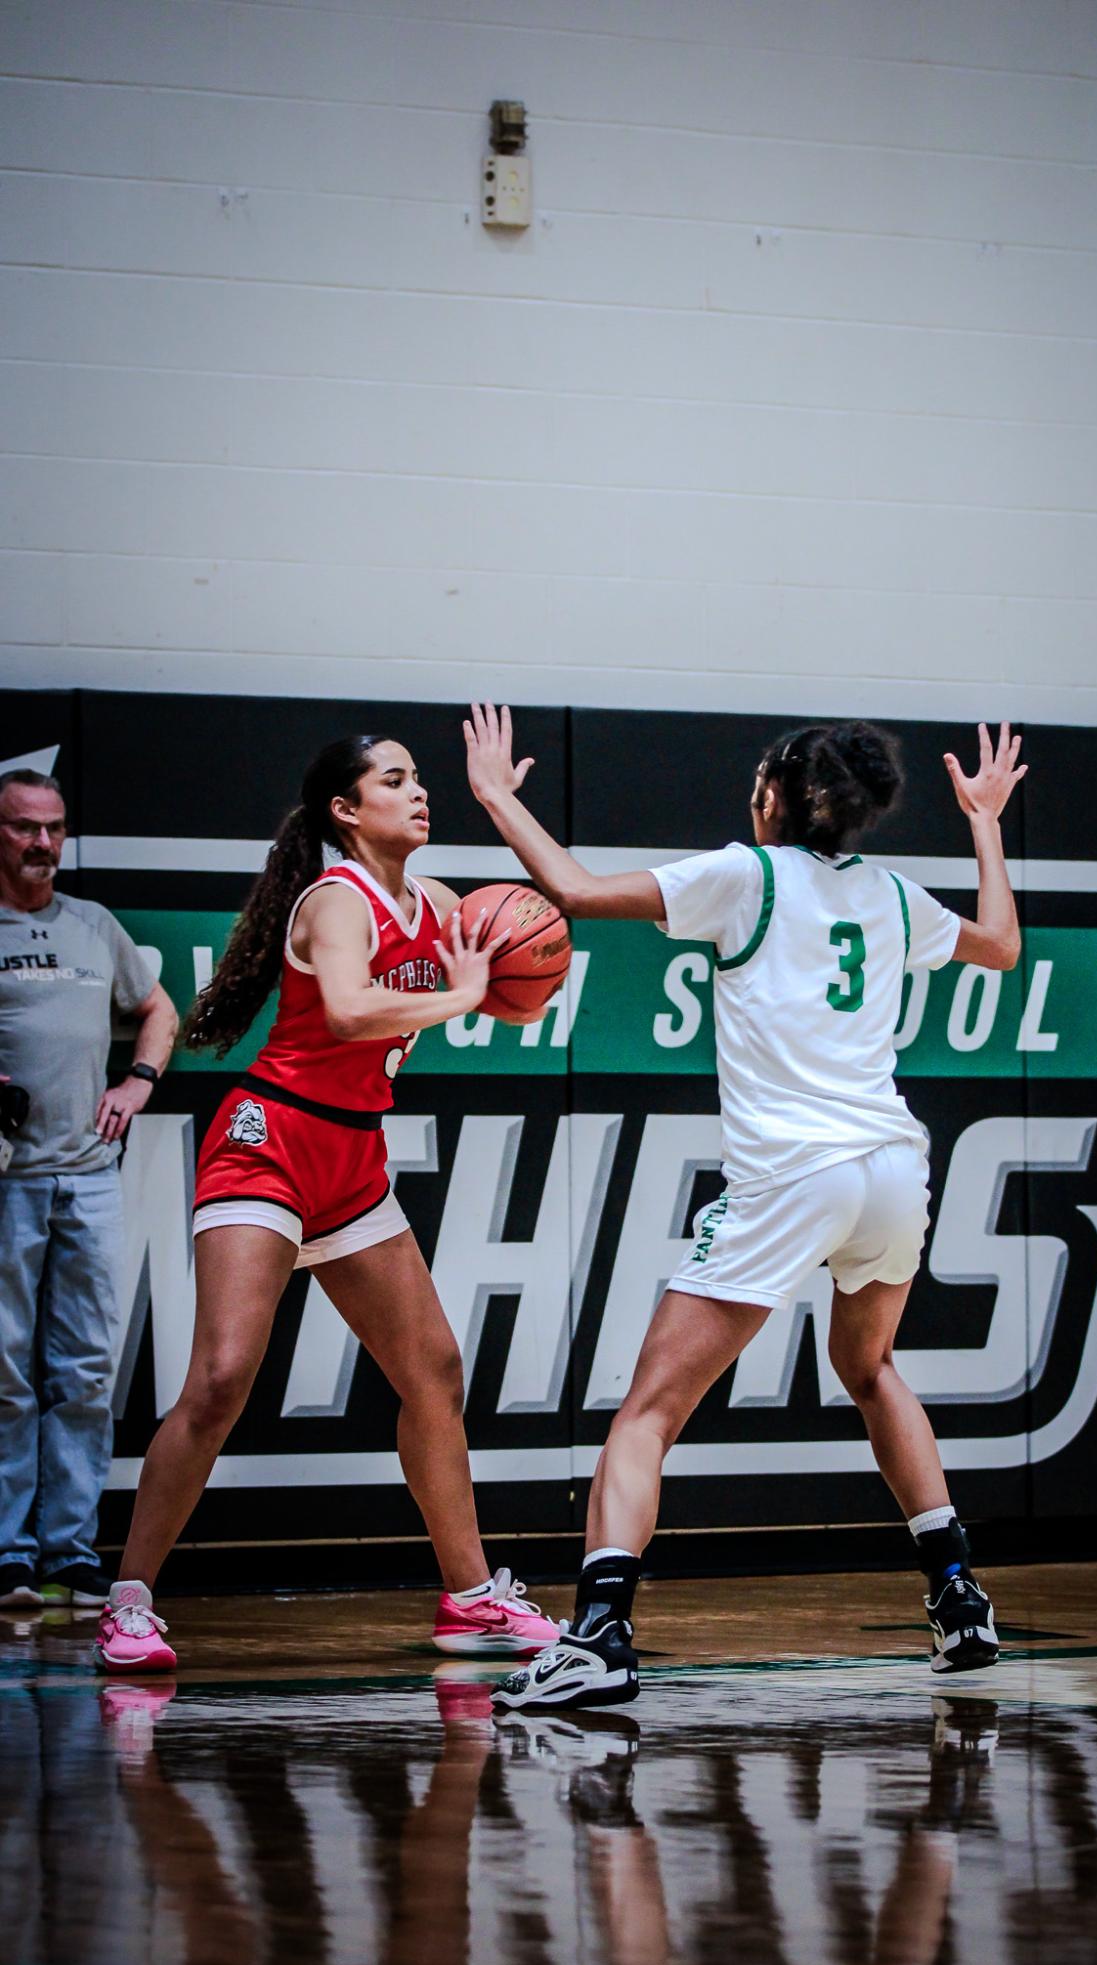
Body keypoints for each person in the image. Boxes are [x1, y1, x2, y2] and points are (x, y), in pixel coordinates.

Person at [462, 703, 1026, 1710]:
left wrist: (500, 797)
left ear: (777, 796)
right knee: (869, 1367)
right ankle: (956, 1594)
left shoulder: (745, 874)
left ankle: (597, 1635)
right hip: (892, 1167)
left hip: (794, 1174)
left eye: (757, 785)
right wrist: (983, 820)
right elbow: (998, 946)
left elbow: (576, 892)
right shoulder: (894, 896)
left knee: (644, 1415)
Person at [94, 735, 560, 1672]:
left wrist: (513, 979)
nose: (418, 792)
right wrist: (465, 993)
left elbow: (515, 952)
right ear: (346, 810)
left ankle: (470, 1598)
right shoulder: (335, 899)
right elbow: (347, 1009)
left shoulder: (432, 903)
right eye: (395, 780)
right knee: (221, 1379)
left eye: (421, 779)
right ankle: (130, 1599)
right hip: (268, 1146)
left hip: (352, 1161)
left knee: (433, 1369)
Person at [0, 767, 179, 1612]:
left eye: (53, 828)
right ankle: (8, 1553)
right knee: (4, 1373)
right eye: (24, 828)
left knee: (82, 1370)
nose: (42, 843)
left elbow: (161, 1010)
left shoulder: (93, 926)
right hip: (7, 1180)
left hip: (86, 1177)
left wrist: (138, 1080)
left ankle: (70, 1553)